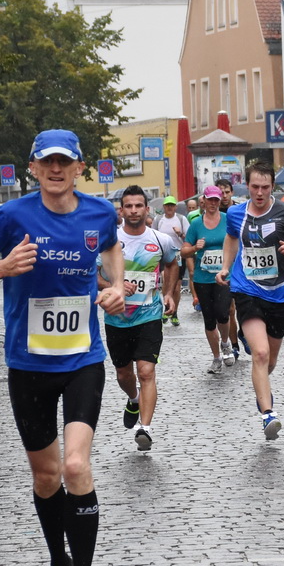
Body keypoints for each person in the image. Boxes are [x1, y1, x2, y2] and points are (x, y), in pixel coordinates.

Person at [0, 129, 125, 566]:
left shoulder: (100, 214)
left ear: (78, 168)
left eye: (65, 162)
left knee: (75, 465)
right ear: (33, 167)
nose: (56, 170)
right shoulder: (12, 216)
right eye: (47, 162)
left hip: (82, 360)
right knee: (47, 477)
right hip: (28, 365)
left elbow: (112, 253)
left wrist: (115, 288)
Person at [217, 161, 284, 439]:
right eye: (254, 187)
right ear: (246, 186)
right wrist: (225, 267)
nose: (259, 193)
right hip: (247, 287)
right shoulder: (236, 213)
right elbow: (232, 240)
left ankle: (262, 388)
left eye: (265, 187)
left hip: (280, 293)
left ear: (272, 187)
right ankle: (268, 414)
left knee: (269, 360)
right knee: (259, 354)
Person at [105, 189, 180, 451]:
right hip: (117, 318)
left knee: (146, 371)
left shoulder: (161, 240)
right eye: (129, 206)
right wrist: (114, 285)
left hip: (149, 315)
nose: (134, 210)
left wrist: (169, 293)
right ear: (121, 211)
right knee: (123, 374)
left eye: (139, 205)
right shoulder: (109, 240)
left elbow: (172, 264)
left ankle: (144, 428)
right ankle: (133, 398)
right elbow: (93, 275)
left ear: (147, 209)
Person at [182, 186, 236, 372]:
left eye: (216, 200)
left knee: (223, 313)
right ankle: (216, 357)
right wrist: (195, 248)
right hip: (202, 278)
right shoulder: (196, 224)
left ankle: (226, 343)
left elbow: (237, 242)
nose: (213, 203)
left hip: (223, 277)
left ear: (220, 201)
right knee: (209, 320)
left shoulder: (228, 220)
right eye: (210, 200)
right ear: (203, 200)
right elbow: (183, 251)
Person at [155, 195, 190, 325]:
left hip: (179, 255)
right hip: (163, 255)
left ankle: (174, 312)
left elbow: (189, 238)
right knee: (165, 280)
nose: (169, 208)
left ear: (175, 207)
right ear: (164, 207)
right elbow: (153, 236)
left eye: (172, 205)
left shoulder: (181, 219)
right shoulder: (158, 220)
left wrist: (180, 233)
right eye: (167, 205)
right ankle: (166, 307)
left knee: (176, 287)